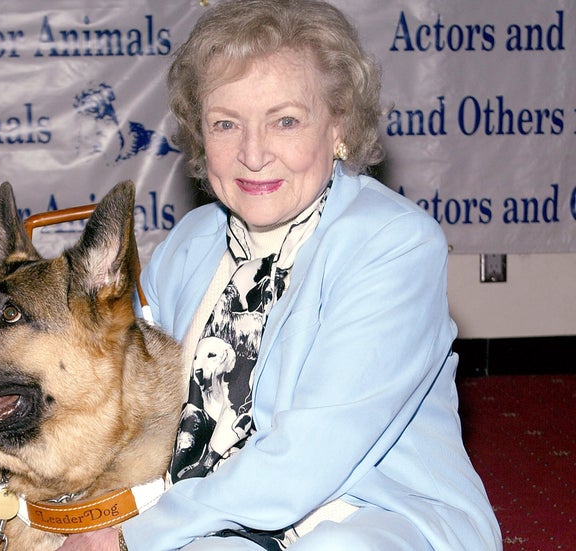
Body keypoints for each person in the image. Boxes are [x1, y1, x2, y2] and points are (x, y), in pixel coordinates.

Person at [61, 0, 502, 549]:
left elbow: (311, 458)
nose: (252, 154)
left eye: (285, 121)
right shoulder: (191, 241)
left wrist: (131, 536)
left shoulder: (393, 244)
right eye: (226, 124)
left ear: (337, 125)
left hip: (367, 513)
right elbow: (130, 392)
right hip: (211, 517)